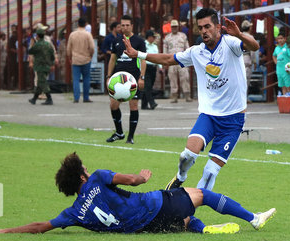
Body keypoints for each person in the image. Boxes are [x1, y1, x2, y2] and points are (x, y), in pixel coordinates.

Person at [123, 8, 260, 191]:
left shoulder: (231, 43)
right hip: (209, 116)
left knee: (210, 171)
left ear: (218, 27)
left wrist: (240, 34)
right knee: (187, 155)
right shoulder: (196, 52)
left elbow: (254, 46)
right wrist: (138, 54)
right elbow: (167, 59)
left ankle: (189, 212)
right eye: (200, 27)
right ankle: (180, 177)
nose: (204, 31)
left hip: (233, 119)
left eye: (208, 26)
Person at [0, 152, 276, 234]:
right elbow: (134, 181)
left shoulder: (73, 213)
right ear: (82, 175)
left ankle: (199, 229)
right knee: (201, 195)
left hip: (146, 228)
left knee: (184, 215)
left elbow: (41, 226)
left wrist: (1, 231)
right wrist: (142, 176)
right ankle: (253, 218)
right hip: (152, 206)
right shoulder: (98, 177)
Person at [106, 15, 146, 144]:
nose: (124, 27)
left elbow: (143, 59)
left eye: (127, 25)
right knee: (113, 105)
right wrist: (108, 76)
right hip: (118, 79)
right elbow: (112, 59)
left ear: (132, 26)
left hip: (133, 79)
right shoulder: (116, 40)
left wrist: (142, 77)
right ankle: (119, 132)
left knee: (133, 106)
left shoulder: (139, 41)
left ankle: (131, 137)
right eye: (122, 25)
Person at [67, 17, 95, 103]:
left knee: (76, 79)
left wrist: (70, 57)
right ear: (85, 24)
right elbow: (92, 47)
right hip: (86, 59)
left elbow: (68, 48)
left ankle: (76, 98)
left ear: (78, 24)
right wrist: (90, 55)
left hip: (75, 59)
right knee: (86, 78)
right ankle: (86, 97)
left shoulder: (72, 34)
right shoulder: (88, 34)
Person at [163, 19, 192, 103]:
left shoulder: (183, 36)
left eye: (175, 26)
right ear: (171, 27)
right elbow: (165, 50)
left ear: (178, 27)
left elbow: (187, 48)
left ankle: (187, 95)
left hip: (182, 60)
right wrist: (165, 61)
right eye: (173, 27)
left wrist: (188, 58)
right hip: (171, 60)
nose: (174, 28)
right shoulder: (167, 37)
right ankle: (174, 96)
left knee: (185, 77)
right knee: (172, 78)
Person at [28, 28, 55, 105]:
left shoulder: (37, 45)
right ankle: (34, 99)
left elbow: (30, 51)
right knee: (40, 82)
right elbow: (52, 55)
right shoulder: (48, 44)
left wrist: (32, 43)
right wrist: (52, 64)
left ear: (37, 36)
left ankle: (49, 98)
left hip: (40, 66)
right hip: (47, 66)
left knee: (43, 82)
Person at [141, 30, 160, 110]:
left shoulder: (155, 46)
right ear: (149, 37)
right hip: (146, 67)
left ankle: (144, 104)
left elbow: (158, 57)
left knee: (150, 86)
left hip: (153, 67)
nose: (154, 39)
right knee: (147, 86)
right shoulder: (143, 45)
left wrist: (160, 67)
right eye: (153, 37)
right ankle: (152, 102)